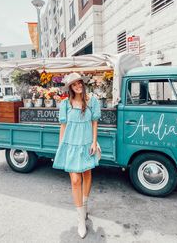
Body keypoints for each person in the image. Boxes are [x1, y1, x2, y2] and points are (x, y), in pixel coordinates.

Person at [52, 72, 101, 239]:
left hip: (87, 143)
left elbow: (95, 123)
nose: (78, 86)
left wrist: (94, 142)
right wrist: (61, 147)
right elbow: (63, 126)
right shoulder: (65, 104)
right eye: (74, 85)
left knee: (87, 174)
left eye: (80, 83)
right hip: (71, 145)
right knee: (75, 179)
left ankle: (84, 206)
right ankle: (81, 219)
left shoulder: (92, 101)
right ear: (71, 88)